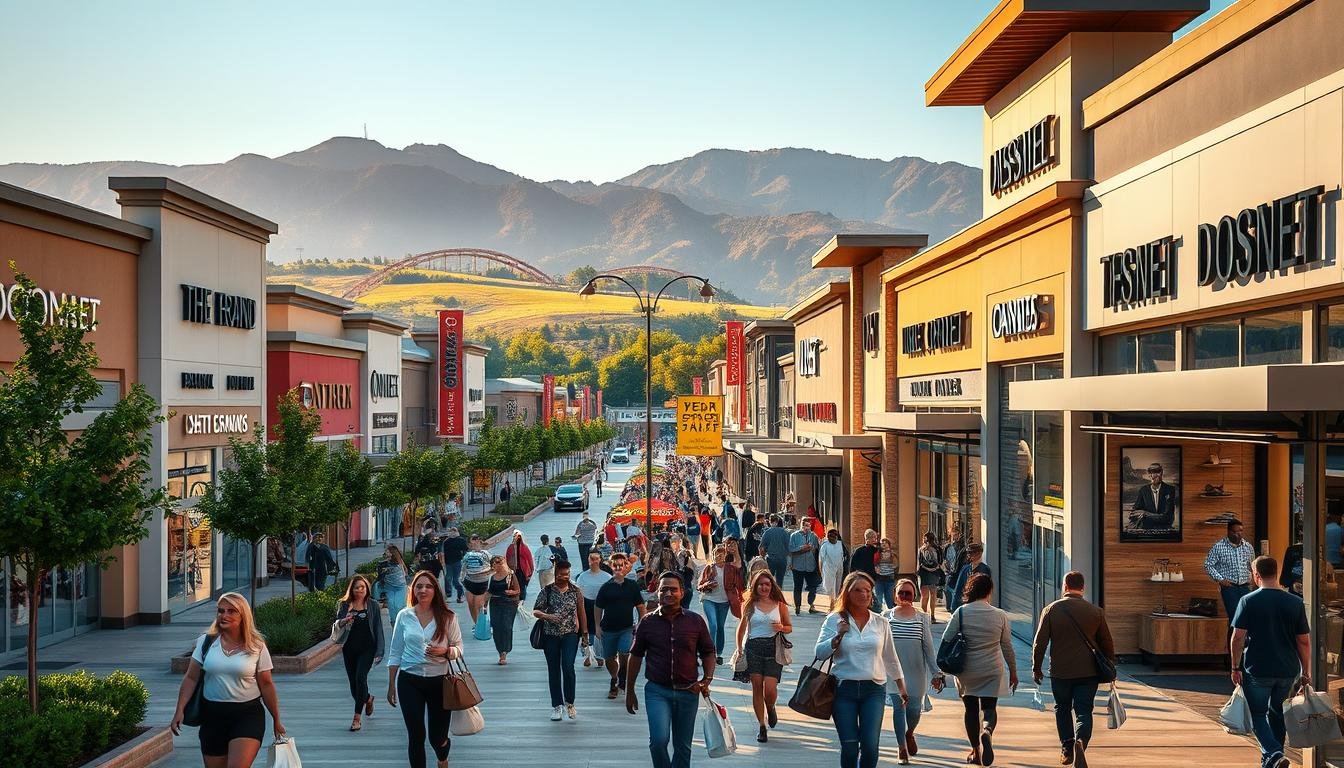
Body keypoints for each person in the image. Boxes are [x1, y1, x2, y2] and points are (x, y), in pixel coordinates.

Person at [171, 592, 285, 767]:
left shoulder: (257, 646)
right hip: (212, 716)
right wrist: (179, 709)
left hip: (247, 715)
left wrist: (276, 719)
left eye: (231, 611)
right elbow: (191, 678)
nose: (224, 615)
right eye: (221, 611)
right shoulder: (206, 642)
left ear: (243, 615)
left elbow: (267, 684)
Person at [815, 572, 908, 768]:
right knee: (849, 747)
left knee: (870, 746)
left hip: (873, 690)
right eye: (858, 590)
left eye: (868, 590)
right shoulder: (835, 619)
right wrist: (837, 636)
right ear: (848, 593)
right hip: (843, 690)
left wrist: (901, 686)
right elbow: (820, 653)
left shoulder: (881, 622)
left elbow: (890, 656)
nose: (865, 594)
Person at [625, 571, 716, 768]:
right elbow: (636, 655)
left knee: (683, 746)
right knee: (658, 741)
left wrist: (706, 680)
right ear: (656, 593)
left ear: (682, 593)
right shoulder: (647, 622)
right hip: (658, 691)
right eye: (663, 589)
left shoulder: (695, 621)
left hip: (688, 691)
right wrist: (629, 690)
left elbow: (709, 652)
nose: (668, 593)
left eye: (673, 589)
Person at [1231, 556, 1310, 768]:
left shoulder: (1248, 601)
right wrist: (1306, 672)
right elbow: (1303, 641)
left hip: (1257, 668)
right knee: (1278, 713)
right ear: (1276, 573)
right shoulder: (1295, 602)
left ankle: (1274, 753)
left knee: (1257, 714)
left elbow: (1238, 637)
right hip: (1287, 670)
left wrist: (1235, 667)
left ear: (1256, 575)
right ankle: (1275, 758)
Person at [1031, 571, 1116, 768]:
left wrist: (1036, 667)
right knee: (1084, 711)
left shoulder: (1051, 610)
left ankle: (1067, 747)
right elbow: (1107, 643)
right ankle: (1081, 743)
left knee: (1062, 708)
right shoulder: (1095, 612)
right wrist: (1109, 665)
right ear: (1082, 588)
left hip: (1060, 672)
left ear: (1065, 586)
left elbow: (1039, 643)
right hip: (1088, 672)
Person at [387, 570, 464, 768]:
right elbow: (395, 651)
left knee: (437, 737)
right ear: (413, 590)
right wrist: (391, 685)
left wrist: (445, 651)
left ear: (435, 590)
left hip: (440, 681)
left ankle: (442, 757)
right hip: (409, 680)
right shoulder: (404, 616)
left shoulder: (447, 617)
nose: (423, 590)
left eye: (428, 586)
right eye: (418, 586)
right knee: (416, 735)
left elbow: (459, 648)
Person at [944, 573, 1016, 766]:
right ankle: (987, 731)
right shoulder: (1000, 615)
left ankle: (975, 751)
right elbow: (1007, 646)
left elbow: (946, 640)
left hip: (966, 669)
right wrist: (1014, 672)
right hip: (992, 669)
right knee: (989, 708)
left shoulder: (960, 612)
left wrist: (941, 671)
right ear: (988, 591)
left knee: (971, 709)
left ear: (970, 589)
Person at [884, 578, 941, 765]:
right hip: (893, 674)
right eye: (901, 593)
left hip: (916, 673)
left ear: (914, 595)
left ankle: (910, 733)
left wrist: (936, 673)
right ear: (895, 595)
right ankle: (901, 748)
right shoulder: (886, 616)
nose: (905, 596)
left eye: (908, 593)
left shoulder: (922, 617)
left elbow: (929, 648)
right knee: (898, 711)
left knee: (914, 711)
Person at [734, 569, 792, 743]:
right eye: (761, 584)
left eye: (767, 584)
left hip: (773, 649)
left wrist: (781, 627)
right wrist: (739, 648)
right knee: (757, 687)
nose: (764, 587)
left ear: (771, 586)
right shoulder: (749, 604)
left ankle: (771, 706)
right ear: (755, 586)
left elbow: (789, 627)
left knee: (770, 690)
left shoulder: (779, 604)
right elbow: (742, 628)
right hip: (753, 649)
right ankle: (761, 726)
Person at [534, 559, 588, 721]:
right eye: (561, 574)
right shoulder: (547, 591)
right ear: (555, 573)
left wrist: (585, 634)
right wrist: (547, 616)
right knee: (554, 669)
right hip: (550, 635)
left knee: (568, 666)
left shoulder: (575, 591)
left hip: (570, 634)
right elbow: (536, 610)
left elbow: (581, 612)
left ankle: (570, 703)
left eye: (567, 574)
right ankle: (557, 706)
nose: (565, 577)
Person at [335, 574, 385, 731]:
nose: (360, 590)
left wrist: (380, 650)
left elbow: (378, 628)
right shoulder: (344, 605)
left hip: (367, 648)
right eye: (357, 587)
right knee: (353, 685)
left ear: (367, 588)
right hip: (349, 648)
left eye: (362, 587)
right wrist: (344, 620)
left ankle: (357, 717)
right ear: (352, 589)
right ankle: (368, 698)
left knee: (360, 678)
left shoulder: (373, 605)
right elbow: (338, 623)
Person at [597, 552, 649, 699]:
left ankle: (621, 680)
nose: (619, 567)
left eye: (622, 565)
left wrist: (641, 624)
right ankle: (615, 677)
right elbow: (598, 607)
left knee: (625, 652)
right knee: (609, 659)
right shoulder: (606, 587)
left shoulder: (632, 585)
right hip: (608, 629)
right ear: (611, 566)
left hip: (626, 628)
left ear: (626, 566)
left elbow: (640, 606)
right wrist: (597, 626)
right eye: (615, 565)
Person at [697, 543, 744, 664]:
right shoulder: (709, 568)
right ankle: (709, 652)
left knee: (721, 626)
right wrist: (707, 585)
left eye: (721, 555)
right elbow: (699, 585)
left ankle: (719, 653)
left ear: (725, 556)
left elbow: (738, 582)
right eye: (716, 555)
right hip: (709, 599)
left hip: (724, 601)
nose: (719, 558)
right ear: (713, 556)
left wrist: (741, 596)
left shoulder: (731, 568)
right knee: (713, 625)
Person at [1205, 519, 1255, 624]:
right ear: (1228, 532)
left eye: (1240, 531)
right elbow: (1208, 565)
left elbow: (1252, 565)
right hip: (1229, 587)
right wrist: (1220, 579)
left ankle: (1244, 640)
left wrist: (1253, 580)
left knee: (1247, 617)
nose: (1238, 534)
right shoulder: (1219, 547)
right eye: (1235, 532)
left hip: (1245, 587)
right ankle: (1233, 640)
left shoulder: (1248, 547)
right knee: (1235, 617)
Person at [575, 551, 612, 666]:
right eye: (592, 559)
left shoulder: (607, 577)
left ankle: (599, 655)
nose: (594, 561)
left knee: (600, 631)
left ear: (600, 560)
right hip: (586, 605)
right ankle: (587, 655)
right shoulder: (582, 577)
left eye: (596, 558)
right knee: (586, 632)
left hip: (602, 606)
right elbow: (578, 593)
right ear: (588, 560)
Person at [487, 554, 522, 664]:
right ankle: (500, 650)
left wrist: (511, 592)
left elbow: (518, 590)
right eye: (494, 564)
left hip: (509, 603)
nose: (497, 566)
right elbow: (489, 591)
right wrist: (483, 604)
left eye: (499, 563)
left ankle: (505, 652)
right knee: (496, 627)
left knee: (506, 626)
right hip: (495, 603)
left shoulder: (510, 575)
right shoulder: (492, 577)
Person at [1129, 462, 1177, 530]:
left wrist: (1145, 513)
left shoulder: (1170, 490)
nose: (1153, 475)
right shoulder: (1143, 490)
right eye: (1150, 472)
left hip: (1165, 528)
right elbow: (1134, 513)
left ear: (1161, 473)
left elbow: (1167, 517)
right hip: (1146, 529)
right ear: (1149, 475)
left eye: (1156, 472)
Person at [789, 520, 822, 613]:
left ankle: (811, 604)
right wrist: (802, 548)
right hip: (797, 566)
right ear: (802, 526)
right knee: (797, 587)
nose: (807, 528)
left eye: (809, 526)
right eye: (805, 525)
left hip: (810, 566)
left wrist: (818, 566)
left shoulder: (813, 536)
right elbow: (791, 549)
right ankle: (797, 606)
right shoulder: (794, 536)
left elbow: (817, 550)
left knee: (813, 586)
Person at [950, 542, 991, 613]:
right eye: (969, 553)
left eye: (972, 553)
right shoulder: (965, 568)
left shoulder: (984, 569)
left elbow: (987, 589)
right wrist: (954, 607)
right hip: (965, 603)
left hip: (979, 604)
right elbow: (958, 588)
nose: (970, 555)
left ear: (980, 553)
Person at [461, 535, 493, 624]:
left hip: (482, 583)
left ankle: (482, 625)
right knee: (471, 605)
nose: (475, 543)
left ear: (480, 542)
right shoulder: (468, 555)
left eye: (477, 541)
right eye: (473, 541)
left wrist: (485, 572)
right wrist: (462, 580)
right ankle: (477, 625)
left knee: (478, 606)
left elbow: (493, 567)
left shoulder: (486, 554)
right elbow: (463, 567)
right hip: (469, 583)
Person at [916, 532, 945, 621]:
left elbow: (940, 560)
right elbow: (920, 561)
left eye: (925, 538)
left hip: (929, 573)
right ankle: (928, 615)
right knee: (929, 595)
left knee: (929, 595)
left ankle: (929, 615)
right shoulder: (922, 549)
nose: (924, 540)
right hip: (929, 572)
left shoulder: (934, 548)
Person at [760, 516, 791, 588]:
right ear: (777, 522)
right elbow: (788, 546)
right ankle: (779, 595)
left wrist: (762, 557)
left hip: (771, 559)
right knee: (780, 580)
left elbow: (762, 548)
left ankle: (771, 596)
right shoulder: (785, 532)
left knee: (769, 579)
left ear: (770, 522)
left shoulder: (767, 532)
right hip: (782, 559)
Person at [378, 544, 410, 613]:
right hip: (390, 587)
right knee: (391, 605)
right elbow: (381, 573)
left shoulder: (399, 560)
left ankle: (399, 620)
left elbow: (405, 570)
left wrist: (405, 579)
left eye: (387, 551)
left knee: (399, 605)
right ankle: (393, 621)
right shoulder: (384, 562)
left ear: (392, 553)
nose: (385, 553)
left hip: (400, 586)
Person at [819, 528, 847, 608]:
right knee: (829, 588)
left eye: (834, 536)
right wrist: (821, 573)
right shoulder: (825, 545)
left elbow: (845, 556)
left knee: (837, 588)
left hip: (839, 568)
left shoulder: (840, 544)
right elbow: (821, 560)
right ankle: (831, 603)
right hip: (828, 569)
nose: (832, 538)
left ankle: (834, 605)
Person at [441, 527, 468, 604]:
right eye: (451, 531)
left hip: (457, 562)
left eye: (454, 531)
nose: (452, 533)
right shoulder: (446, 541)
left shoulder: (460, 540)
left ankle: (460, 595)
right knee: (448, 578)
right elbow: (443, 552)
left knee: (456, 580)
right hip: (448, 562)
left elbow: (465, 549)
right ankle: (449, 595)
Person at [505, 530, 535, 601]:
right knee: (513, 585)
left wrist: (531, 570)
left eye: (519, 536)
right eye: (516, 536)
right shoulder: (510, 547)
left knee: (522, 586)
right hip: (513, 570)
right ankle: (516, 599)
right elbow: (507, 558)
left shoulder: (524, 547)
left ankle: (521, 600)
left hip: (522, 571)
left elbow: (529, 559)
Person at [943, 528, 967, 611]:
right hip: (948, 571)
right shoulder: (947, 546)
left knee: (956, 589)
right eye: (952, 535)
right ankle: (949, 606)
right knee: (947, 589)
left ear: (959, 535)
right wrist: (946, 568)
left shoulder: (962, 547)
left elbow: (963, 560)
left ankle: (954, 607)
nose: (954, 537)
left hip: (958, 571)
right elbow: (944, 559)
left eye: (956, 535)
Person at [874, 538, 899, 611]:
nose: (884, 544)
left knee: (889, 599)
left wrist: (891, 559)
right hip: (879, 579)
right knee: (879, 598)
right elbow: (874, 564)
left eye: (885, 543)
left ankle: (890, 617)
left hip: (889, 579)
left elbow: (896, 566)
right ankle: (879, 614)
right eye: (882, 543)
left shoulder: (892, 554)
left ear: (889, 545)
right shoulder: (877, 554)